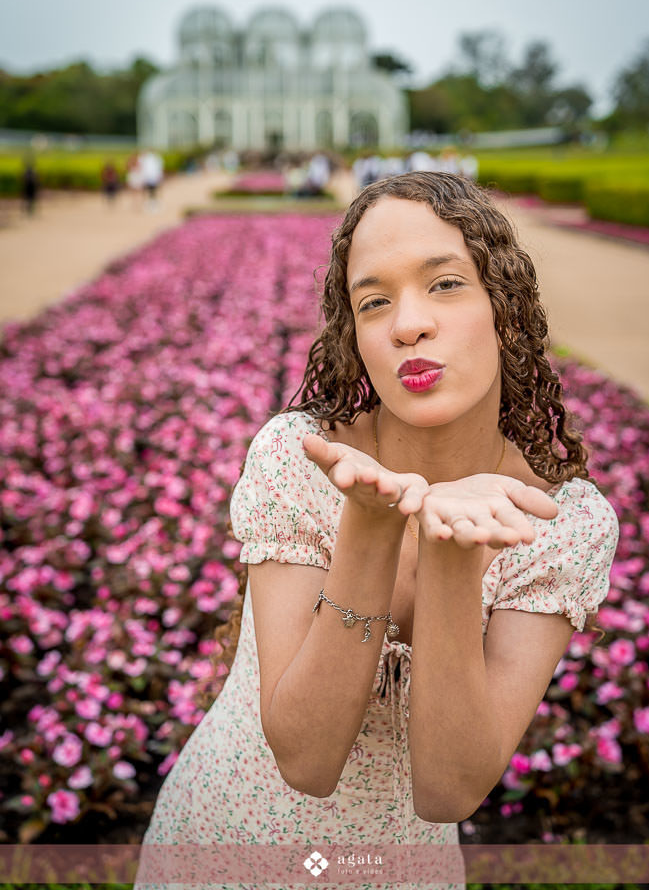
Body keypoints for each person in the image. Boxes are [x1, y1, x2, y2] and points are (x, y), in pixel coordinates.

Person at [135, 172, 618, 890]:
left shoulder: (559, 523)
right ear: (354, 336)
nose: (406, 324)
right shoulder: (300, 460)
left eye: (445, 285)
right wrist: (369, 523)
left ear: (506, 313)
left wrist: (456, 555)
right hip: (217, 849)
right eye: (374, 301)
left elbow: (448, 790)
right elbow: (306, 759)